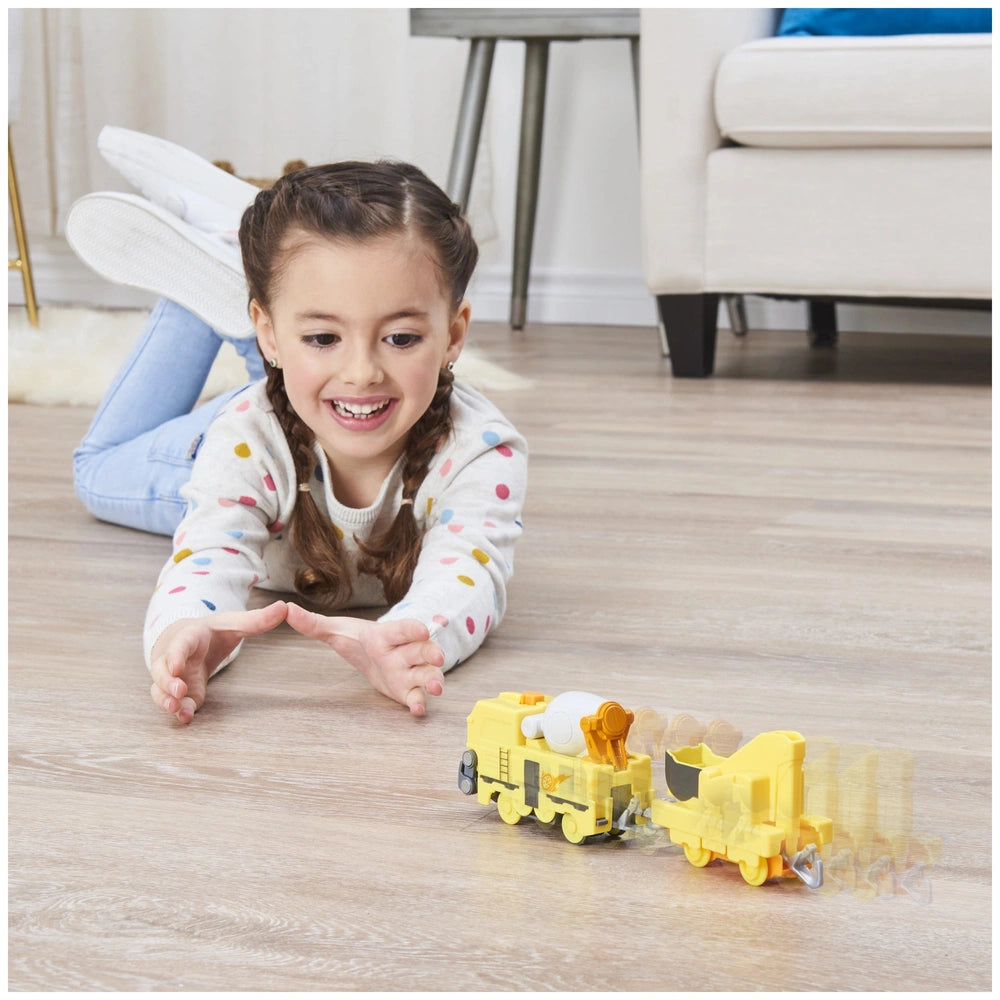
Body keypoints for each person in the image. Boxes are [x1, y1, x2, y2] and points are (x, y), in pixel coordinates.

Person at [68, 128, 527, 722]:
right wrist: (188, 628)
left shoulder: (482, 450)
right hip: (227, 444)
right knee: (95, 470)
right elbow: (209, 550)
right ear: (269, 333)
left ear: (454, 335)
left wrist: (409, 638)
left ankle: (260, 281)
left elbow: (470, 572)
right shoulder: (244, 438)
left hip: (301, 404)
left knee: (315, 375)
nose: (363, 371)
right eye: (324, 336)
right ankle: (218, 281)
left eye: (402, 338)